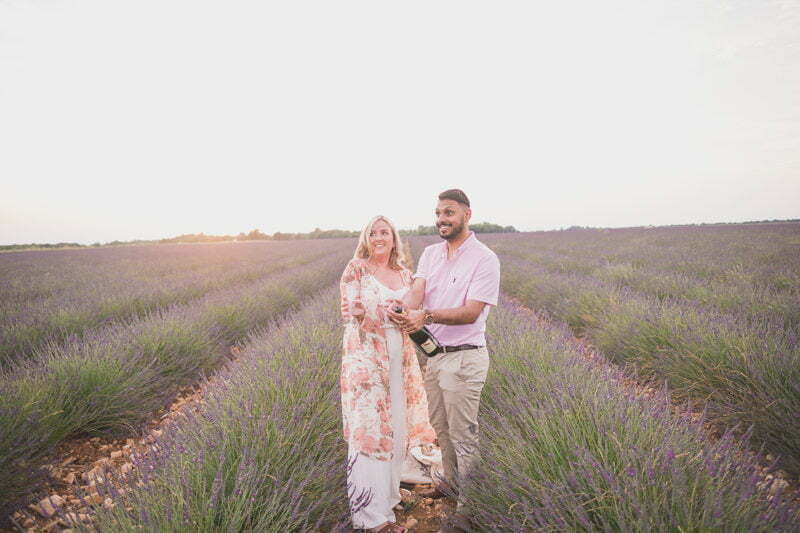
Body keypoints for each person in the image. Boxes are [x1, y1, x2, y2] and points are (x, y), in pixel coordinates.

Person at [388, 189, 500, 527]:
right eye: (438, 213)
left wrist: (426, 316)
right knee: (441, 429)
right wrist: (401, 306)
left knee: (463, 432)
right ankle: (451, 486)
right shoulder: (431, 254)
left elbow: (470, 313)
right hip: (435, 357)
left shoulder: (484, 258)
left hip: (465, 358)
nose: (441, 219)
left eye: (449, 213)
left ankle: (471, 501)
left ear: (467, 215)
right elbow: (417, 291)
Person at [339, 215, 436, 533]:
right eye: (373, 232)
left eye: (385, 232)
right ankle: (371, 516)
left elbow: (415, 315)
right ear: (366, 238)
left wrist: (408, 315)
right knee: (370, 433)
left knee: (396, 428)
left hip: (400, 361)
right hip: (368, 363)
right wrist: (362, 312)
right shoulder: (357, 267)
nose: (379, 237)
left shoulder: (405, 274)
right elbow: (349, 309)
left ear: (394, 239)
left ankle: (388, 496)